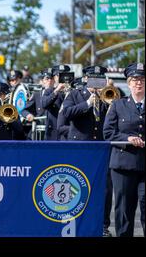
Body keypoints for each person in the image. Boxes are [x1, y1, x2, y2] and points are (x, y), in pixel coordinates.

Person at [61, 65, 113, 236]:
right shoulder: (75, 94)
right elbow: (67, 113)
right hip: (81, 147)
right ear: (86, 79)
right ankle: (74, 222)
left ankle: (103, 225)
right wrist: (87, 103)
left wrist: (111, 104)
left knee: (104, 188)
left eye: (100, 79)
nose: (96, 83)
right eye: (93, 79)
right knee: (77, 185)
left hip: (101, 148)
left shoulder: (108, 95)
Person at [104, 62, 145, 237]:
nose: (139, 83)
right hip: (123, 164)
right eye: (135, 79)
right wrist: (127, 139)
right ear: (128, 83)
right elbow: (108, 133)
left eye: (142, 79)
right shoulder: (118, 105)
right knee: (124, 209)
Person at [41, 65, 71, 140]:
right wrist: (57, 90)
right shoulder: (50, 91)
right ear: (55, 78)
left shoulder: (73, 91)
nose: (62, 78)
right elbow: (44, 104)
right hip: (53, 132)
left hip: (68, 130)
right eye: (59, 75)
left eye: (65, 75)